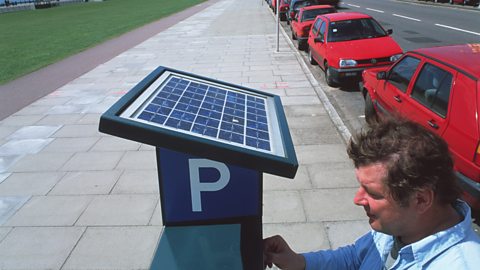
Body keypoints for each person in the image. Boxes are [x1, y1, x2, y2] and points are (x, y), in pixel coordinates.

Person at [263, 118, 480, 269]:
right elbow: (355, 258)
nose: (357, 200)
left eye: (373, 193)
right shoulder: (400, 225)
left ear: (421, 199)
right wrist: (299, 262)